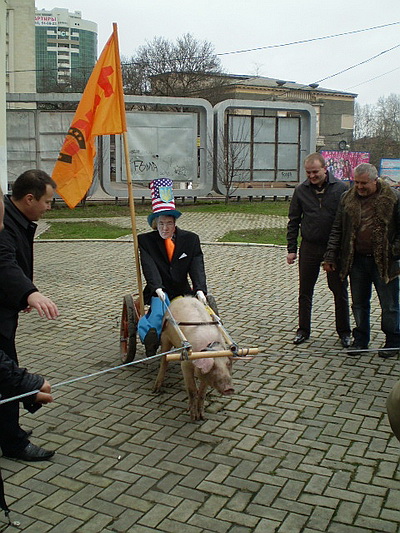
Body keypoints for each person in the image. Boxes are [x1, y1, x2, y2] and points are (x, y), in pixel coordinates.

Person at [0, 171, 59, 461]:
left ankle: (9, 430)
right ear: (29, 198)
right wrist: (29, 293)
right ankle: (13, 443)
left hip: (6, 308)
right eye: (47, 201)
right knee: (7, 375)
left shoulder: (16, 218)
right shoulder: (5, 223)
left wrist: (19, 295)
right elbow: (3, 264)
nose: (49, 207)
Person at [323, 163, 400, 358]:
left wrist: (394, 250)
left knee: (389, 305)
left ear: (376, 180)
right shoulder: (347, 198)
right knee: (358, 304)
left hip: (385, 262)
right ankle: (360, 340)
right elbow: (337, 229)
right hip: (356, 261)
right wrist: (330, 255)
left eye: (364, 183)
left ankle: (393, 341)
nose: (359, 187)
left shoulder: (393, 198)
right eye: (356, 182)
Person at [286, 152, 351, 347]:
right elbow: (294, 221)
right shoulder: (301, 191)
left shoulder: (341, 189)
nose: (312, 176)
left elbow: (347, 222)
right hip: (309, 247)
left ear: (325, 169)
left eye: (315, 172)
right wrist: (292, 248)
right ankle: (303, 330)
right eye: (308, 173)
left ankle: (344, 332)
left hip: (334, 249)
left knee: (339, 291)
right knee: (305, 291)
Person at [137, 178, 207, 356]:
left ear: (175, 224)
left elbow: (197, 264)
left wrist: (200, 289)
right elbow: (149, 266)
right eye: (160, 223)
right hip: (160, 291)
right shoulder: (146, 242)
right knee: (159, 313)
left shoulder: (191, 240)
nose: (164, 227)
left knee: (200, 314)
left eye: (169, 223)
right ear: (155, 224)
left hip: (183, 290)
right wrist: (157, 287)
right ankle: (151, 338)